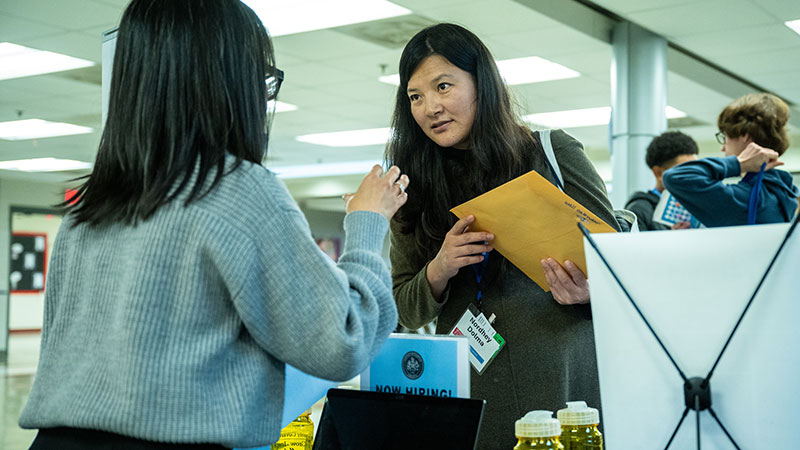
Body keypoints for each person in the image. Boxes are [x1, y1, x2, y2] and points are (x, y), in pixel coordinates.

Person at [19, 1, 408, 449]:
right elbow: (343, 341)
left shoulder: (90, 208)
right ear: (230, 84)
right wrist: (367, 222)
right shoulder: (239, 191)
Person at [384, 23, 619, 450]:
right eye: (415, 96)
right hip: (469, 384)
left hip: (563, 373)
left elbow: (620, 264)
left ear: (482, 85)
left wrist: (589, 291)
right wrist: (439, 269)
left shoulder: (551, 152)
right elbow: (403, 306)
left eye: (443, 86)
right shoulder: (410, 183)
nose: (430, 107)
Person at [663, 93, 798, 227]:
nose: (723, 148)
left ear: (744, 135)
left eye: (725, 138)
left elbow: (675, 176)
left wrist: (739, 163)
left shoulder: (744, 199)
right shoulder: (785, 193)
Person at [625, 131, 699, 231]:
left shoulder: (697, 206)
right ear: (659, 173)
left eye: (696, 170)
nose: (693, 177)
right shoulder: (639, 210)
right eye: (684, 171)